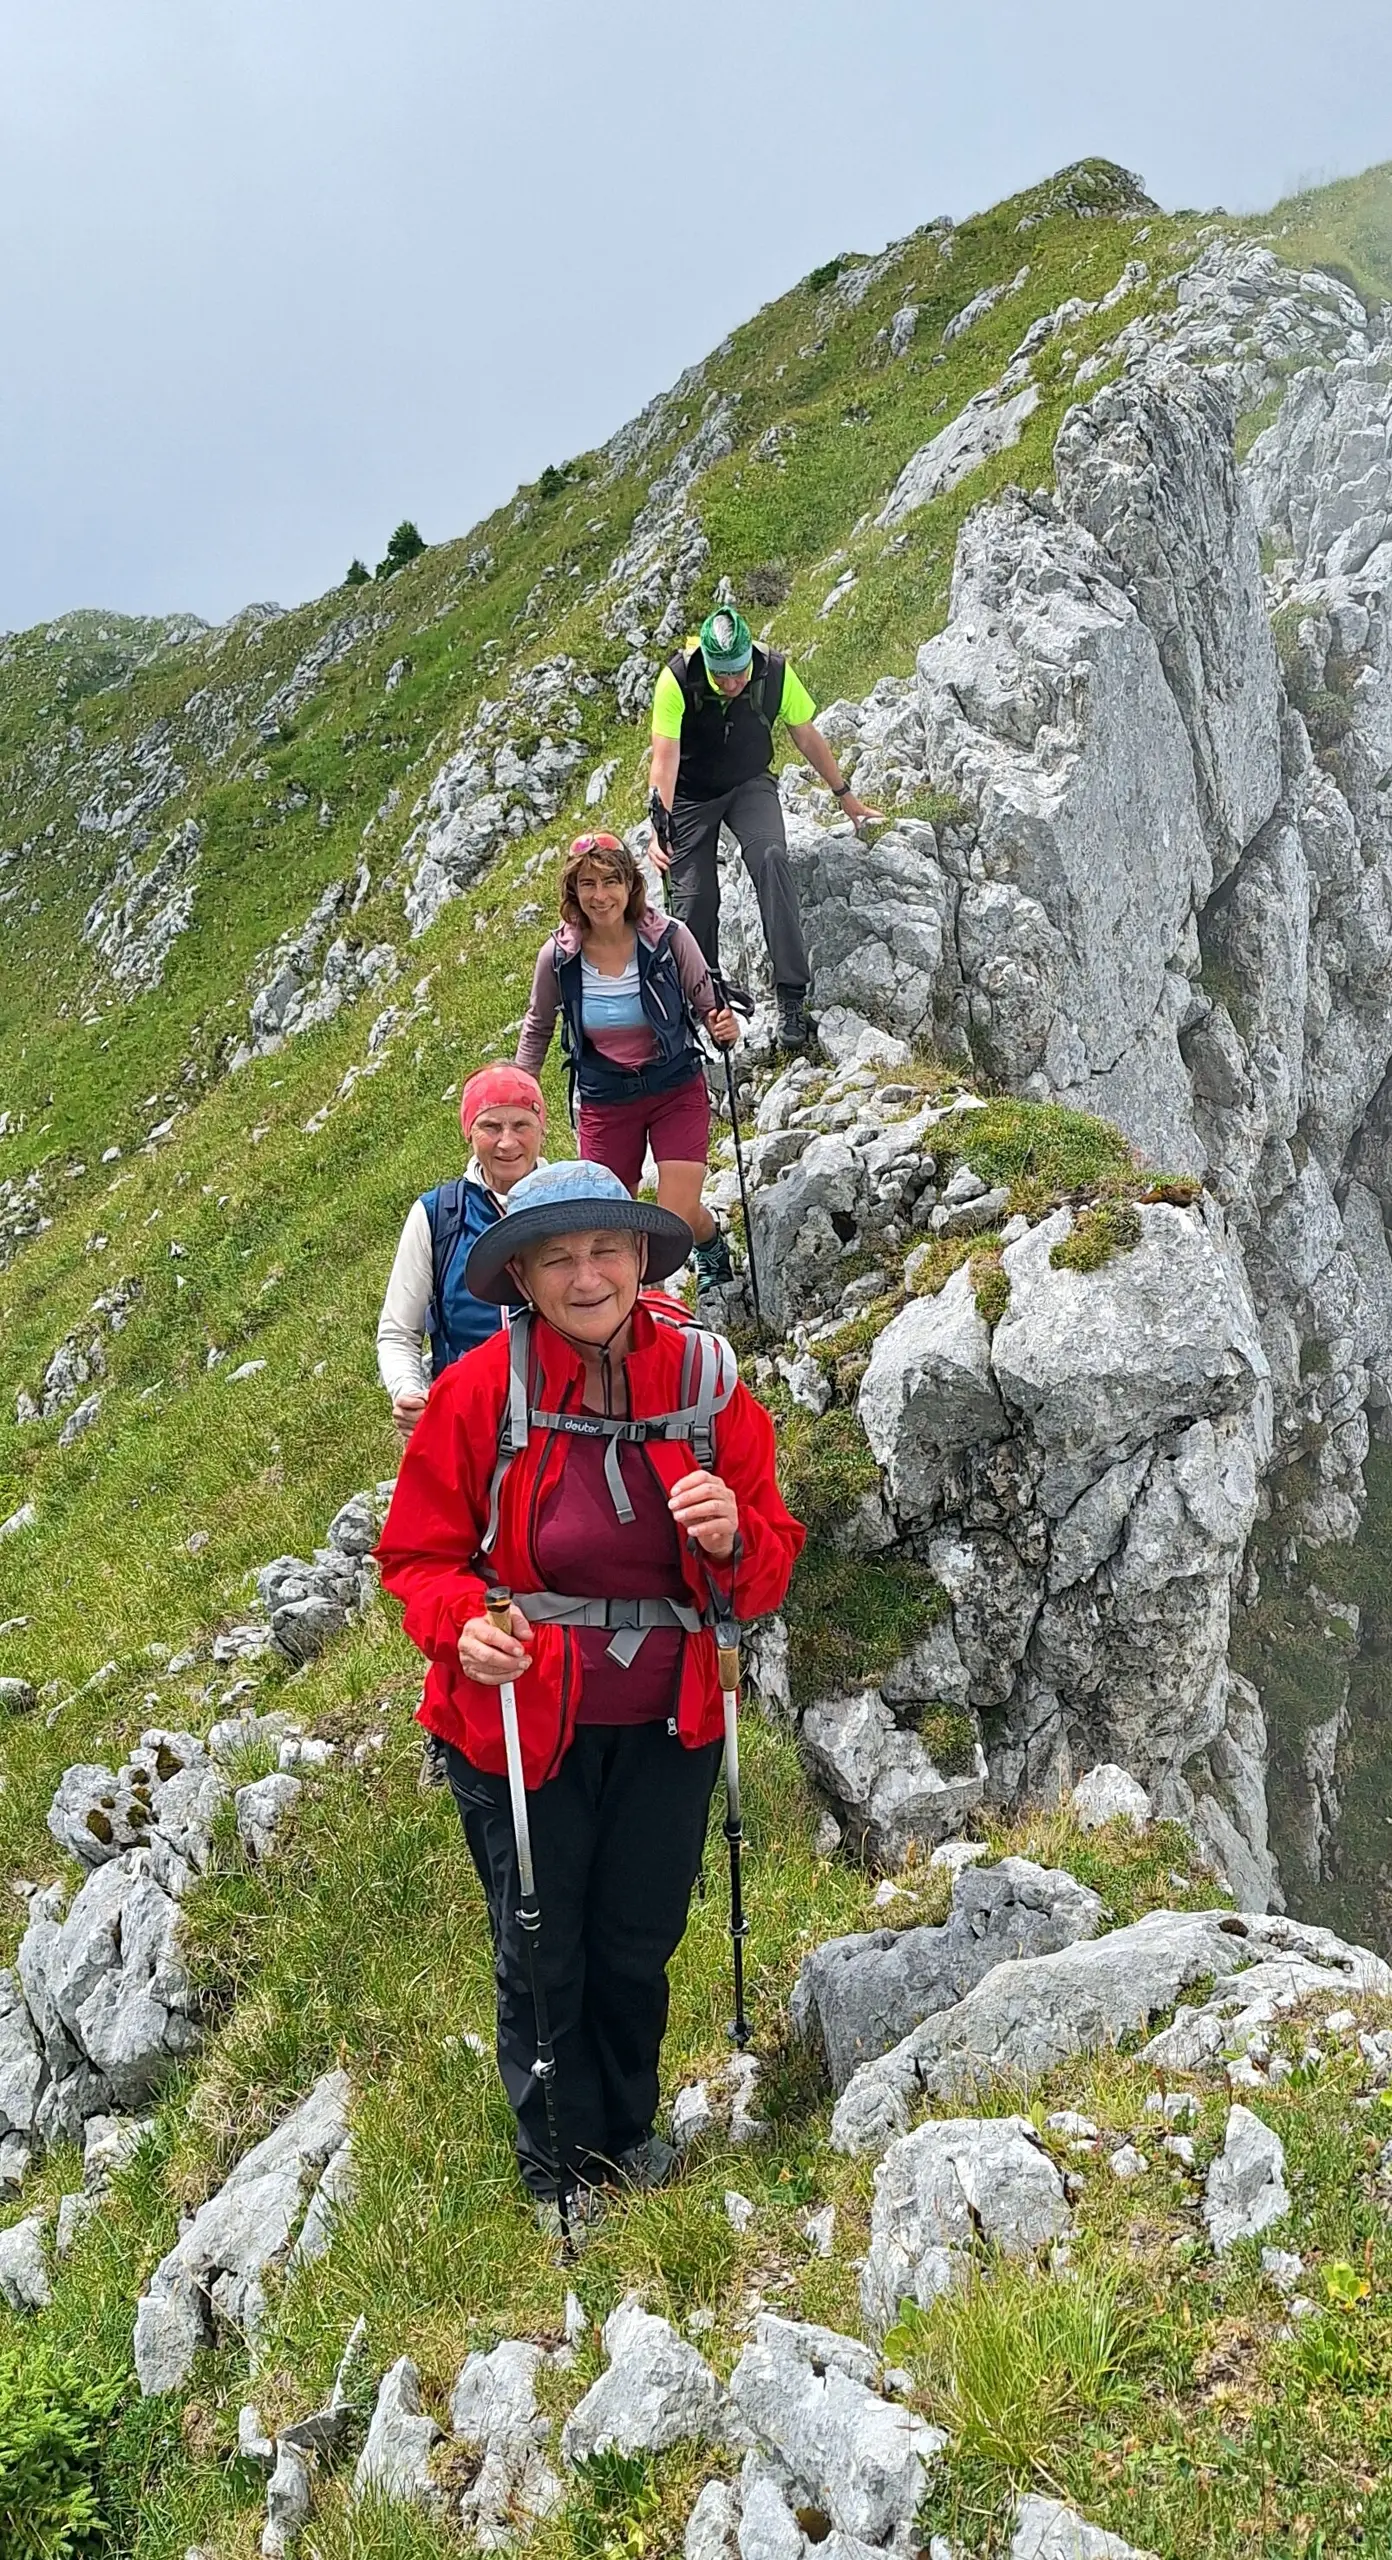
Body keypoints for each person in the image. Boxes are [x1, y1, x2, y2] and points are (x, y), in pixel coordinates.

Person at [376, 1159, 803, 2227]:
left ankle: (628, 2130)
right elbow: (416, 1556)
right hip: (520, 1724)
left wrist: (736, 1534)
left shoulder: (707, 1386)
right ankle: (558, 2166)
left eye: (604, 1248)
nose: (584, 1275)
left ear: (640, 1256)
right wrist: (462, 1623)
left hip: (672, 1722)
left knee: (635, 1937)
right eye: (556, 1257)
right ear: (519, 1274)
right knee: (541, 1943)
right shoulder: (481, 1391)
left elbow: (772, 1560)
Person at [516, 831, 738, 1297]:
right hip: (606, 1099)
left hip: (674, 1087)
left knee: (673, 1219)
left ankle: (710, 1242)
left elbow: (707, 1001)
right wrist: (519, 1093)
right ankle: (648, 1307)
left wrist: (723, 1025)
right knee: (611, 1223)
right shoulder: (559, 957)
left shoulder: (669, 938)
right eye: (588, 884)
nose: (601, 896)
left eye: (611, 881)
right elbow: (538, 1027)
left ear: (630, 886)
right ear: (573, 893)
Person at [648, 605, 879, 1050]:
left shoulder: (773, 671)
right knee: (694, 900)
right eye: (722, 676)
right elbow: (665, 757)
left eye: (738, 673)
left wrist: (844, 795)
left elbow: (806, 734)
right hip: (692, 797)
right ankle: (707, 1004)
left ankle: (792, 997)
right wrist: (661, 826)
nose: (732, 684)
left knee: (771, 857)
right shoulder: (677, 679)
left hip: (750, 783)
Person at [376, 1065, 547, 1437]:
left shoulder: (573, 1201)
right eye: (490, 1127)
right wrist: (410, 1393)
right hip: (467, 1422)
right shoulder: (438, 1215)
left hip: (565, 1417)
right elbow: (398, 1331)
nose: (507, 1142)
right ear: (468, 1131)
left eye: (521, 1125)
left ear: (541, 1130)